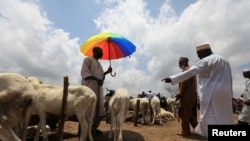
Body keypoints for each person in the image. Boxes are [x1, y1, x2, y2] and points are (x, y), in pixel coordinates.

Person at [162, 44, 234, 137]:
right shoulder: (224, 60)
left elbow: (192, 71)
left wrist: (172, 79)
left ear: (204, 52)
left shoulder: (206, 60)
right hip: (226, 92)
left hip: (212, 93)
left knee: (210, 116)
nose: (198, 56)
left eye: (199, 54)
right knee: (224, 114)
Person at [81, 46, 112, 136]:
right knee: (89, 109)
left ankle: (93, 128)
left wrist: (107, 72)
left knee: (98, 109)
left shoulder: (99, 64)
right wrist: (96, 79)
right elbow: (85, 73)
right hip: (89, 88)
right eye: (100, 51)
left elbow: (101, 76)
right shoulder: (87, 60)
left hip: (98, 89)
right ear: (94, 51)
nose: (102, 54)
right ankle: (86, 130)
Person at [175, 57, 198, 136]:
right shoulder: (191, 70)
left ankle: (185, 131)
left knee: (184, 114)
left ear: (185, 62)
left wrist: (180, 94)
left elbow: (184, 83)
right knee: (191, 115)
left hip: (186, 96)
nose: (179, 64)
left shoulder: (186, 71)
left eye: (180, 63)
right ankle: (199, 129)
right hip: (192, 96)